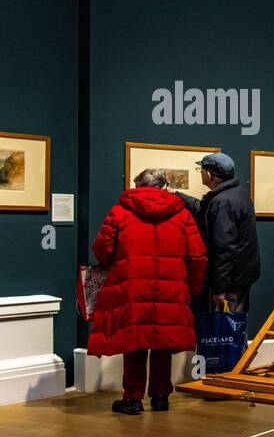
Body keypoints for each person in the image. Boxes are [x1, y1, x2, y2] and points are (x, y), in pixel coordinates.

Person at [88, 169, 207, 414]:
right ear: (164, 186)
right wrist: (193, 288)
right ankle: (161, 395)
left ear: (137, 186)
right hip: (172, 286)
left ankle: (132, 398)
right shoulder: (182, 214)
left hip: (132, 285)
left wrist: (112, 263)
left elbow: (102, 248)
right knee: (163, 342)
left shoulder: (120, 211)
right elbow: (197, 255)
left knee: (134, 342)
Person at [178, 152, 260, 313]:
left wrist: (220, 289)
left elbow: (224, 248)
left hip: (229, 283)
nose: (200, 173)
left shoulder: (222, 202)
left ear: (209, 174)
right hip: (240, 278)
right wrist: (177, 195)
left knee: (224, 331)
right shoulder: (236, 194)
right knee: (234, 328)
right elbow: (203, 209)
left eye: (200, 170)